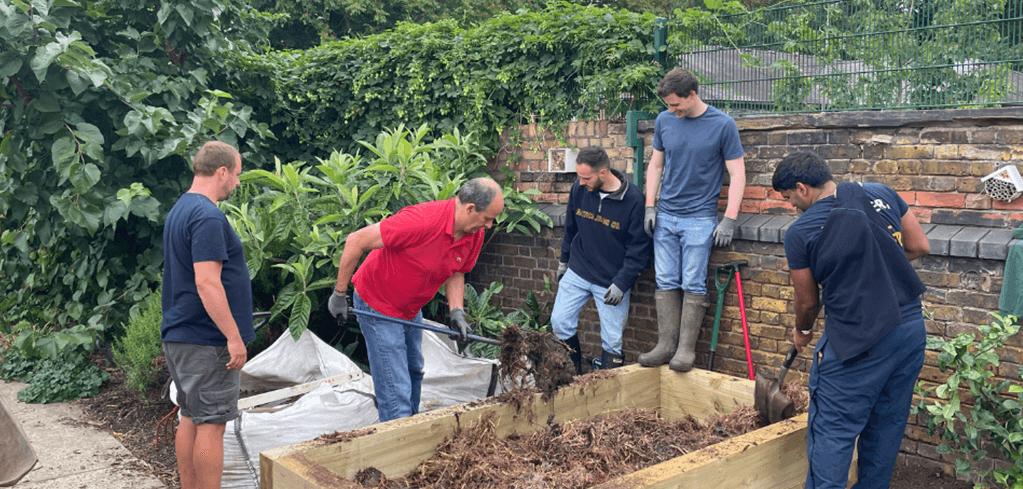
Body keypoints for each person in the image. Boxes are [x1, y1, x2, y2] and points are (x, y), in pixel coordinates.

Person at [772, 151, 930, 488]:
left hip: (858, 341)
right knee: (885, 427)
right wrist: (876, 268)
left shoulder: (800, 233)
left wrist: (801, 331)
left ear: (802, 189)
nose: (790, 207)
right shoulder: (882, 192)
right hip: (909, 331)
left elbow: (808, 301)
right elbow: (918, 245)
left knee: (833, 430)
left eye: (788, 199)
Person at [327, 177, 504, 422]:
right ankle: (397, 442)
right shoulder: (421, 221)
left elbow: (457, 270)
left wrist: (457, 311)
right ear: (470, 208)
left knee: (414, 372)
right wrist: (339, 293)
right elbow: (357, 240)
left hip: (410, 308)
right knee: (394, 386)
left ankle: (409, 427)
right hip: (379, 304)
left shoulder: (473, 233)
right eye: (487, 218)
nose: (489, 225)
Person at [638, 67, 747, 372]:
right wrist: (650, 205)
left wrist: (729, 219)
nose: (671, 110)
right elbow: (656, 165)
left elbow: (737, 172)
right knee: (665, 280)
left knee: (692, 281)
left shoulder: (722, 125)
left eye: (675, 104)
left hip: (699, 218)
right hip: (667, 216)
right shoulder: (665, 121)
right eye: (668, 106)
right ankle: (665, 345)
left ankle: (685, 350)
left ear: (693, 94)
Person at [161, 140, 253, 489]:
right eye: (237, 175)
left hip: (181, 334)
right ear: (222, 172)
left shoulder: (180, 209)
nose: (238, 183)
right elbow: (207, 282)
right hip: (206, 339)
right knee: (213, 423)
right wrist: (233, 336)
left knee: (191, 416)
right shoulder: (208, 215)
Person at [551, 146, 652, 373]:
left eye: (586, 177)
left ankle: (608, 388)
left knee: (612, 340)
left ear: (603, 173)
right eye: (579, 176)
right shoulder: (579, 189)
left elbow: (640, 249)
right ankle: (573, 375)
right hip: (579, 269)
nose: (581, 182)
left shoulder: (634, 200)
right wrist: (564, 261)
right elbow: (570, 226)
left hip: (611, 280)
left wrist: (622, 283)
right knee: (559, 323)